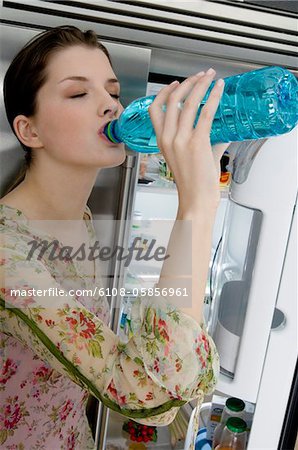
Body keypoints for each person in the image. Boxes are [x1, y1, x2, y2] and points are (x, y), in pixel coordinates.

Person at [0, 26, 229, 449]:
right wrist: (197, 204)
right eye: (78, 94)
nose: (110, 106)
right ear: (29, 132)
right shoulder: (8, 256)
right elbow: (148, 397)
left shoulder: (79, 217)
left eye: (112, 91)